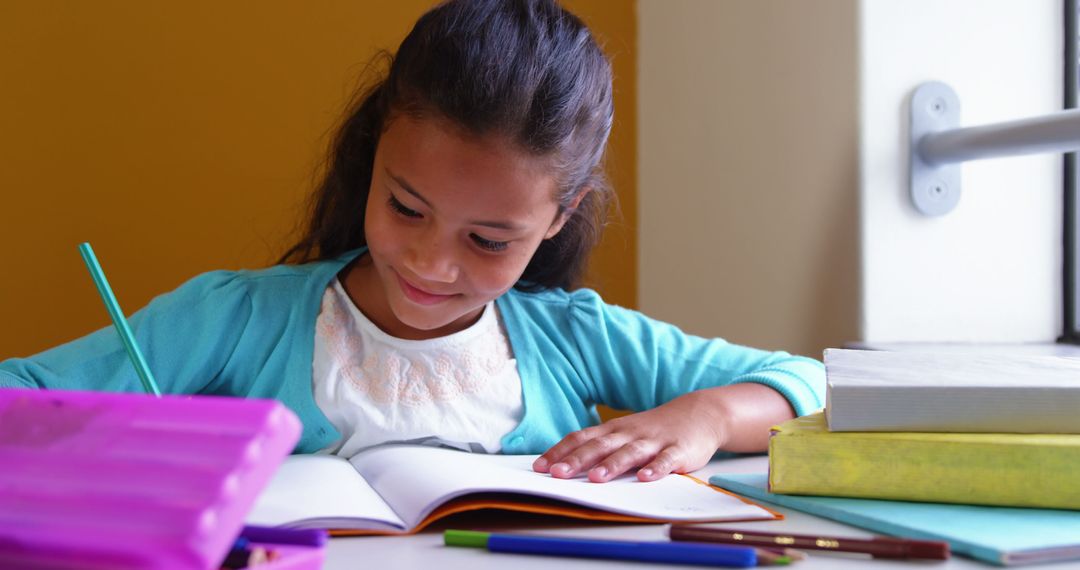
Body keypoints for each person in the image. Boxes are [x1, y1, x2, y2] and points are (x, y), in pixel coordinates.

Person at [0, 0, 823, 483]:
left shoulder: (572, 335)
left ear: (559, 216)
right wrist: (114, 438)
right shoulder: (239, 317)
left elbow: (812, 382)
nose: (432, 264)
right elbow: (21, 391)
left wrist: (708, 416)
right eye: (405, 207)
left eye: (490, 240)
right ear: (373, 159)